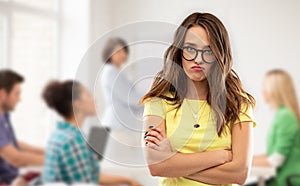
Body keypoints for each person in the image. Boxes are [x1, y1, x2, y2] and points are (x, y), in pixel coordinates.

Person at [140, 12, 256, 186]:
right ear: (179, 51)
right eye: (190, 49)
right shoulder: (158, 101)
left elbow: (239, 174)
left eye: (208, 51)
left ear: (219, 55)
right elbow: (156, 167)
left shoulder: (239, 103)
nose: (198, 59)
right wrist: (221, 156)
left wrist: (174, 162)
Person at [41, 80, 141, 185]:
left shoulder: (59, 134)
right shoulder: (73, 140)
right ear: (77, 104)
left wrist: (127, 180)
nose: (94, 100)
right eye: (88, 95)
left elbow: (93, 177)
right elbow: (86, 183)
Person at [251, 69, 300, 186]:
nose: (262, 91)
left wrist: (242, 162)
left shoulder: (285, 116)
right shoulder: (281, 114)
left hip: (287, 181)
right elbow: (272, 154)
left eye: (265, 86)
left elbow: (275, 160)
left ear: (275, 90)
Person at [0, 69, 44, 185]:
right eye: (17, 94)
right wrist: (55, 160)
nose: (19, 99)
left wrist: (45, 151)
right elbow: (15, 158)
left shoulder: (4, 115)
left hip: (14, 179)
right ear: (3, 94)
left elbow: (12, 143)